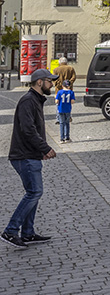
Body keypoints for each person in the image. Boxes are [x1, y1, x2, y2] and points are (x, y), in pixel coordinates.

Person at [3, 69, 57, 248]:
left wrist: (40, 151)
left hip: (30, 154)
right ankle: (11, 231)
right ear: (40, 82)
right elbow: (28, 130)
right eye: (49, 81)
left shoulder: (35, 100)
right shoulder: (28, 100)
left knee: (33, 192)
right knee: (34, 192)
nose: (52, 84)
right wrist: (45, 148)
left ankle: (27, 233)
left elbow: (33, 129)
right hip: (23, 155)